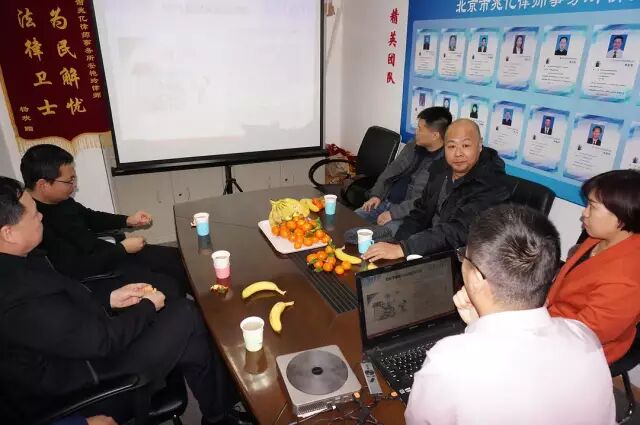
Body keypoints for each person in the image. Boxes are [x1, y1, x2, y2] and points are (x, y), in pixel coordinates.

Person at [0, 177, 246, 425]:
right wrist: (147, 307)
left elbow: (64, 317)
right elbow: (103, 341)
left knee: (187, 331)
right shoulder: (18, 297)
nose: (41, 216)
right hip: (88, 382)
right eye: (34, 214)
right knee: (186, 315)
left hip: (80, 352)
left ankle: (219, 414)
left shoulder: (19, 264)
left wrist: (110, 299)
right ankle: (221, 411)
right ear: (8, 233)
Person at [405, 205, 616, 425]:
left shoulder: (448, 362)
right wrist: (478, 323)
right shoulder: (583, 336)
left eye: (463, 258)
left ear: (476, 277)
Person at [20, 144, 189, 303]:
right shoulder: (35, 225)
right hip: (99, 274)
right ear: (43, 185)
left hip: (109, 254)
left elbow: (91, 217)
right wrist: (122, 249)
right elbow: (75, 268)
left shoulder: (60, 200)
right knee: (170, 287)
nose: (74, 186)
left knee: (178, 258)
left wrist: (128, 220)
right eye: (69, 181)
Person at [361, 119, 512, 261]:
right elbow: (421, 212)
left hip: (463, 260)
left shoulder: (493, 183)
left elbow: (459, 231)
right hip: (429, 246)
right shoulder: (441, 168)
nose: (458, 153)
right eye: (451, 146)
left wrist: (404, 248)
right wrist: (398, 244)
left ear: (479, 145)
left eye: (466, 146)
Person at [547, 170, 640, 364]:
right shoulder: (600, 237)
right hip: (554, 319)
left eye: (592, 206)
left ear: (622, 214)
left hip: (584, 348)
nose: (584, 213)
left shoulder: (627, 279)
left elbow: (587, 335)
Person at [356, 107, 452, 235]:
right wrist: (376, 195)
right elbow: (391, 170)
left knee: (377, 238)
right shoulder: (413, 145)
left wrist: (393, 213)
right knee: (350, 220)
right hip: (384, 202)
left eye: (420, 129)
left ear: (435, 135)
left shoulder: (444, 163)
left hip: (406, 215)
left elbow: (424, 200)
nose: (416, 132)